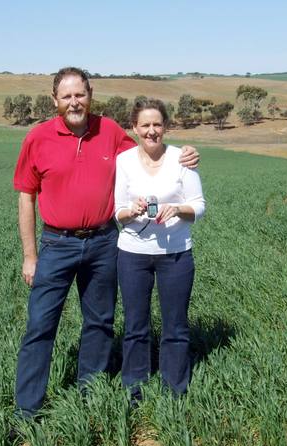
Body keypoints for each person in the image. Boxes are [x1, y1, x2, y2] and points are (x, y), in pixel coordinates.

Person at [12, 67, 199, 418]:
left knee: (99, 322)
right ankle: (26, 410)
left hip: (102, 243)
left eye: (79, 94)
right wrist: (29, 255)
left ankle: (90, 394)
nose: (74, 102)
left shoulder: (110, 131)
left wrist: (183, 153)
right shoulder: (37, 138)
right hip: (57, 244)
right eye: (66, 96)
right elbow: (26, 196)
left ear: (90, 94)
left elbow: (150, 150)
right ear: (55, 100)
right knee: (40, 325)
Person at [114, 98, 205, 402]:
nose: (152, 131)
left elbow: (199, 206)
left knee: (175, 325)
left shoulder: (183, 158)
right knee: (135, 324)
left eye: (157, 124)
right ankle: (134, 388)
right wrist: (132, 209)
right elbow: (117, 212)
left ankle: (175, 389)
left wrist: (178, 209)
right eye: (145, 125)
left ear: (166, 126)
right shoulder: (124, 161)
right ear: (135, 128)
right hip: (132, 254)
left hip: (176, 253)